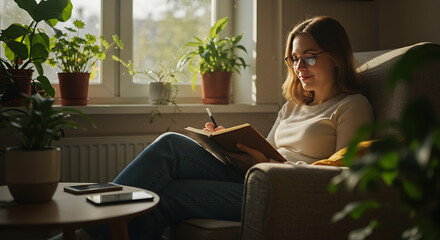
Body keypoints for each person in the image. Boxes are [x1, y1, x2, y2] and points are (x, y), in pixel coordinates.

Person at [84, 16, 373, 240]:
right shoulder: (292, 106)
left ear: (335, 57)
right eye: (294, 58)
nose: (299, 66)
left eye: (309, 56)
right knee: (171, 143)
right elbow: (268, 151)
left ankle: (86, 229)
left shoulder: (352, 106)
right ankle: (92, 221)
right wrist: (227, 144)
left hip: (283, 191)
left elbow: (341, 179)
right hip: (252, 176)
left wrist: (270, 165)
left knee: (169, 196)